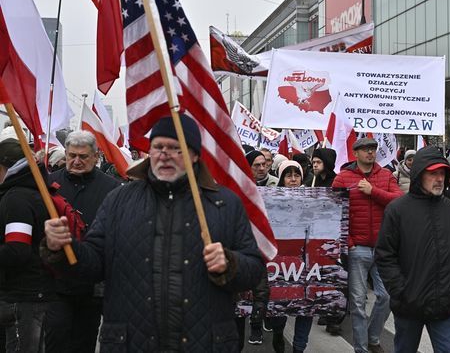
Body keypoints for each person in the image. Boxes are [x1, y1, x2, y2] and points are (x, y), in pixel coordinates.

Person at [42, 114, 265, 352]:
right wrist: (63, 247)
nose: (165, 154)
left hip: (204, 342)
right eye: (158, 147)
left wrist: (230, 263)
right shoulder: (119, 200)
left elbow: (254, 269)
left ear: (195, 155)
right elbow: (94, 261)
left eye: (175, 148)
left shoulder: (224, 203)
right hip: (131, 342)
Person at [376, 146, 450, 353]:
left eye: (442, 173)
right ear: (419, 175)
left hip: (446, 305)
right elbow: (385, 256)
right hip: (409, 306)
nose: (439, 179)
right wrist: (401, 291)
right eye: (432, 173)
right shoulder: (397, 210)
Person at [45, 131, 122, 353]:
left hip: (91, 285)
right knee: (56, 339)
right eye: (72, 156)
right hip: (56, 282)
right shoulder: (50, 184)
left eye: (83, 157)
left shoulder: (112, 189)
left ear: (96, 156)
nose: (76, 161)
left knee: (84, 341)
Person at [332, 137, 402, 353]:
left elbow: (399, 202)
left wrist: (373, 191)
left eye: (373, 149)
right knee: (358, 303)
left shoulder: (385, 175)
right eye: (365, 150)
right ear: (356, 153)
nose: (370, 153)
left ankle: (372, 337)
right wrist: (350, 243)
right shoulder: (343, 178)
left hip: (383, 249)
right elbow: (334, 212)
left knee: (387, 297)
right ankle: (361, 348)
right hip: (358, 249)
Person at [0, 139, 55, 352]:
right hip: (25, 295)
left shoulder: (18, 199)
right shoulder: (26, 192)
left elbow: (17, 249)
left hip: (24, 298)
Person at [270, 160, 314, 353]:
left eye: (297, 175)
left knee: (307, 306)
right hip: (281, 261)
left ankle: (299, 347)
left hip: (306, 261)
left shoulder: (314, 197)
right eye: (289, 175)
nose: (293, 180)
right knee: (279, 304)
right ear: (281, 179)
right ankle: (278, 333)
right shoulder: (270, 199)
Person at [243, 151, 274, 346]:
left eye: (264, 164)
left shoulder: (277, 184)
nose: (262, 168)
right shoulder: (240, 187)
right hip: (246, 245)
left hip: (270, 246)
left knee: (265, 290)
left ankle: (262, 322)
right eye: (257, 165)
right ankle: (251, 326)